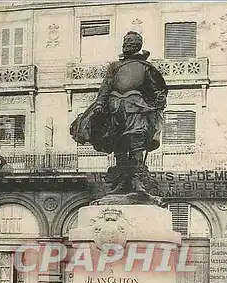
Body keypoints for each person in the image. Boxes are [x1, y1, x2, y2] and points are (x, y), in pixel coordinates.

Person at [70, 31, 168, 195]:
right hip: (114, 109)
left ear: (138, 45)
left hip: (136, 109)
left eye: (131, 42)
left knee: (136, 143)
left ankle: (138, 183)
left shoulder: (146, 68)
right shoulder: (114, 67)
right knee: (119, 146)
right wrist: (100, 103)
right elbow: (105, 88)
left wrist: (159, 99)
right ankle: (122, 183)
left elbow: (156, 90)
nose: (127, 44)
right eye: (126, 41)